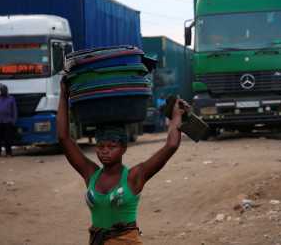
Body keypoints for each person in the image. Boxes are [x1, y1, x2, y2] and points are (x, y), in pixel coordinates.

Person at [57, 79, 186, 244]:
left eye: (112, 146)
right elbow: (64, 138)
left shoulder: (134, 176)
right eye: (101, 146)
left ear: (124, 148)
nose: (105, 151)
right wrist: (63, 94)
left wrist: (176, 116)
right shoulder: (91, 174)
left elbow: (171, 145)